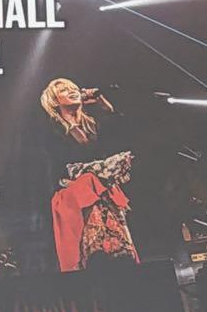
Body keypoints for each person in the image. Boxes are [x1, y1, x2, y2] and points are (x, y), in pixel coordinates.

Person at [39, 77, 139, 272]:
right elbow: (58, 166)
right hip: (75, 196)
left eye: (74, 88)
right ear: (55, 101)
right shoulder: (51, 130)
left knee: (120, 254)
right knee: (94, 255)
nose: (72, 91)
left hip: (101, 193)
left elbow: (125, 138)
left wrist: (105, 107)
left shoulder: (93, 125)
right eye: (64, 90)